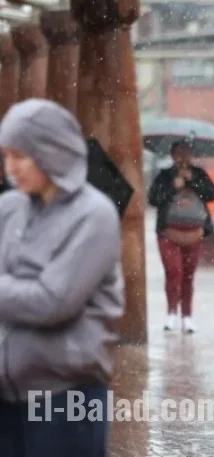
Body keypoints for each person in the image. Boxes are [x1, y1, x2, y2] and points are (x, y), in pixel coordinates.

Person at [0, 98, 124, 456]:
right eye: (5, 156)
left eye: (20, 156)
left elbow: (52, 302)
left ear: (51, 151)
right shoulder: (8, 208)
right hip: (6, 397)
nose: (10, 168)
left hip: (66, 398)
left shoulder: (94, 215)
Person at [147, 141, 214, 334]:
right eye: (178, 153)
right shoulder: (164, 176)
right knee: (173, 271)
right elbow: (153, 198)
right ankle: (171, 313)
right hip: (169, 233)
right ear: (172, 155)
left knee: (188, 274)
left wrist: (192, 180)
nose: (182, 157)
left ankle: (187, 316)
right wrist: (172, 187)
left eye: (186, 153)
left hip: (194, 233)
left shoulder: (199, 174)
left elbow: (212, 194)